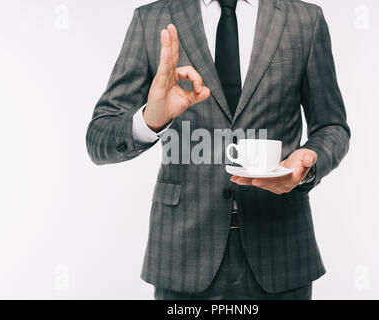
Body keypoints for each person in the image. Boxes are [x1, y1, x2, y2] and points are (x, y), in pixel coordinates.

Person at [86, 0, 350, 300]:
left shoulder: (305, 19)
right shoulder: (152, 19)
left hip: (282, 252)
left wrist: (309, 163)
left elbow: (332, 126)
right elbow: (99, 138)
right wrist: (150, 120)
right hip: (182, 256)